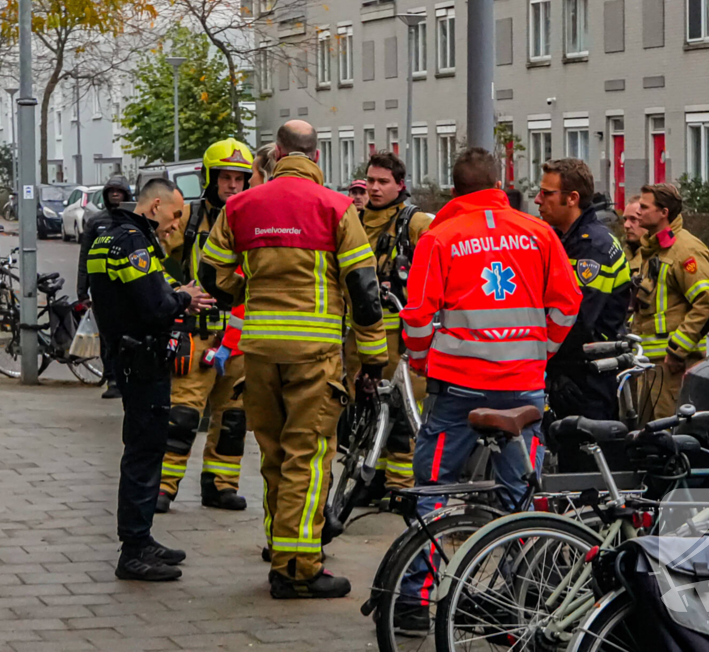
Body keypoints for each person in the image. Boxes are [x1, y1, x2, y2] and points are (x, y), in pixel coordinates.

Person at [397, 148, 582, 632]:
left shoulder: (440, 237)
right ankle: (525, 601)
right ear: (499, 184)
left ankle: (415, 601)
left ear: (454, 189)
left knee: (434, 488)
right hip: (523, 390)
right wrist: (542, 350)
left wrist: (420, 361)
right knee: (519, 494)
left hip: (458, 389)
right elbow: (567, 302)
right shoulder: (539, 233)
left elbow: (416, 316)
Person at [201, 119, 387, 599]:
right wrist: (373, 358)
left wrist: (247, 292)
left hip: (259, 352)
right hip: (315, 355)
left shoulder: (242, 206)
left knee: (274, 456)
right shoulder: (337, 208)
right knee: (309, 457)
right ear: (316, 157)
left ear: (277, 154)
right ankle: (299, 570)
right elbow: (365, 292)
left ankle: (279, 550)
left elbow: (209, 271)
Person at [87, 178, 212, 581]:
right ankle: (134, 549)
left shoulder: (105, 235)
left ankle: (142, 539)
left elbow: (128, 292)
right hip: (143, 357)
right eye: (174, 214)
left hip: (124, 353)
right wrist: (184, 298)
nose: (174, 223)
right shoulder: (134, 241)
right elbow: (155, 305)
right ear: (155, 205)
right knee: (144, 453)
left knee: (143, 449)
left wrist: (173, 290)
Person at [156, 139, 254, 514]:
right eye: (225, 177)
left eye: (239, 178)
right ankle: (163, 487)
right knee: (181, 416)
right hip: (196, 335)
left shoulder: (253, 219)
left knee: (233, 418)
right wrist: (176, 290)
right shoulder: (189, 220)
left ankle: (220, 486)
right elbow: (155, 262)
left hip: (240, 336)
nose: (232, 185)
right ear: (209, 178)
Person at [341, 151, 432, 502]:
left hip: (400, 338)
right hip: (360, 334)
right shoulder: (353, 220)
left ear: (400, 185)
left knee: (402, 410)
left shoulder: (415, 222)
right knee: (364, 407)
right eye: (371, 181)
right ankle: (372, 478)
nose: (375, 188)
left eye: (383, 182)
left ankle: (402, 486)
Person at [534, 158, 632, 421]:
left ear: (572, 198)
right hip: (569, 371)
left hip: (588, 378)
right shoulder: (563, 240)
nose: (537, 199)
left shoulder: (592, 248)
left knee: (583, 456)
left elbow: (577, 319)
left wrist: (552, 368)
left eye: (546, 193)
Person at [630, 184, 709, 422]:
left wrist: (677, 351)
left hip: (672, 367)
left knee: (671, 435)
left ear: (664, 212)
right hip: (648, 366)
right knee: (646, 437)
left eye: (644, 206)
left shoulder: (685, 250)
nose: (638, 212)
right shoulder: (651, 249)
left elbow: (707, 303)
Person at [77, 175, 132, 399]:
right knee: (108, 338)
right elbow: (85, 257)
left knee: (129, 336)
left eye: (120, 191)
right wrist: (82, 290)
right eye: (112, 192)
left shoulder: (135, 219)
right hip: (103, 291)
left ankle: (129, 377)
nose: (115, 195)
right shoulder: (96, 222)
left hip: (129, 289)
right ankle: (112, 379)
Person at [622, 196, 647, 268]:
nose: (626, 225)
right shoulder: (618, 256)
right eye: (625, 219)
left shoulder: (660, 257)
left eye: (633, 219)